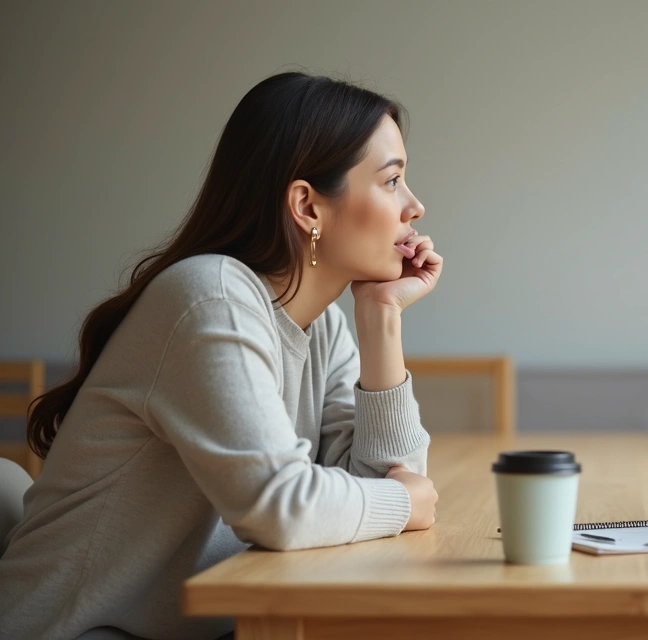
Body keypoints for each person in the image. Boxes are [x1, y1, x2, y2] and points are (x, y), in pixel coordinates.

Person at [0, 72, 440, 639]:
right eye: (393, 181)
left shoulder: (324, 324)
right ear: (307, 205)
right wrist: (400, 501)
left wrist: (382, 317)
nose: (416, 206)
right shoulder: (212, 297)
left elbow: (390, 485)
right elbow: (283, 507)